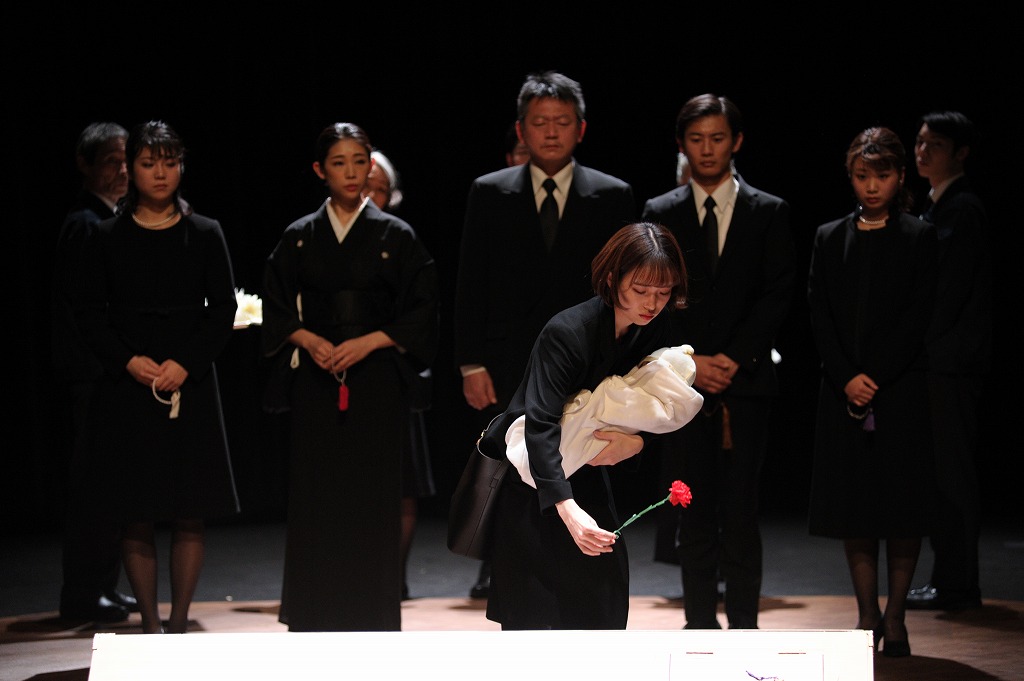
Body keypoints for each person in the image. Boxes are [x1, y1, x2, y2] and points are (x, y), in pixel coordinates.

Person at [455, 70, 636, 599]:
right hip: (510, 359)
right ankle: (510, 579)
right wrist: (471, 363)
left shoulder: (612, 194)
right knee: (513, 470)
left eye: (562, 121)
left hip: (588, 362)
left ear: (581, 128)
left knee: (585, 466)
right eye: (539, 122)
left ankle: (584, 574)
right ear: (521, 129)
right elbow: (471, 281)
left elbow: (623, 288)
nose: (551, 132)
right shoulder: (490, 191)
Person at [262, 122, 439, 631]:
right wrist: (308, 339)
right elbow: (275, 303)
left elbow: (423, 307)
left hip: (377, 376)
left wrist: (370, 341)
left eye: (359, 161)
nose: (351, 172)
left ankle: (373, 613)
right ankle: (313, 613)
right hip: (317, 378)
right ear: (320, 170)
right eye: (339, 163)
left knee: (374, 494)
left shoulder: (395, 235)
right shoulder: (300, 236)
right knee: (316, 493)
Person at [71, 120, 240, 634]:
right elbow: (88, 314)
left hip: (189, 382)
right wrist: (128, 361)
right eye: (148, 164)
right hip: (129, 386)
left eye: (169, 163)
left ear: (181, 167)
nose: (160, 173)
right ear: (132, 169)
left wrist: (186, 363)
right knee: (135, 510)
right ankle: (149, 624)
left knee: (190, 509)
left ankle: (180, 621)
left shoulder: (204, 232)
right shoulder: (106, 236)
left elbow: (223, 310)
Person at [481, 221, 688, 629]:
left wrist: (638, 444)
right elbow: (540, 425)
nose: (652, 303)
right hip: (533, 482)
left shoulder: (654, 329)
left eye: (664, 292)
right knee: (535, 621)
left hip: (589, 476)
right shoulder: (568, 333)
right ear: (612, 279)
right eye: (640, 290)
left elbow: (660, 403)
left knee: (602, 609)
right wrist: (566, 507)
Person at [641, 93, 796, 630]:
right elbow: (653, 296)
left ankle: (746, 625)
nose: (707, 149)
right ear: (681, 144)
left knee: (743, 508)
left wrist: (733, 356)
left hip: (746, 379)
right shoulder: (661, 212)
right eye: (696, 139)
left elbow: (778, 293)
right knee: (692, 507)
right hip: (684, 383)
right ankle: (700, 623)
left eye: (717, 138)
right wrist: (694, 362)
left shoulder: (768, 211)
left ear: (737, 142)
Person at [806, 126, 937, 657]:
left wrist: (876, 375)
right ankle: (866, 614)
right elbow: (820, 314)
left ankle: (897, 617)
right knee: (855, 509)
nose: (872, 186)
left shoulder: (919, 236)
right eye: (862, 176)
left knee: (903, 509)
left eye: (882, 175)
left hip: (900, 391)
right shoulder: (830, 236)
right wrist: (847, 377)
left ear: (900, 176)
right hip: (844, 392)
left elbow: (919, 316)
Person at [51, 122, 139, 623]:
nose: (122, 170)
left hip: (105, 373)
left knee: (110, 485)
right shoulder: (85, 223)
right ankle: (83, 592)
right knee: (92, 486)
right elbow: (84, 310)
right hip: (92, 373)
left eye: (127, 160)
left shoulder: (110, 219)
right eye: (111, 160)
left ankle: (102, 586)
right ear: (85, 166)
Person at [906, 111, 992, 612]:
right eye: (920, 142)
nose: (923, 151)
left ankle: (959, 583)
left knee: (953, 474)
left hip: (950, 364)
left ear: (960, 153)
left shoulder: (963, 208)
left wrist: (917, 347)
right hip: (940, 362)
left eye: (935, 144)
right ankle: (949, 579)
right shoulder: (938, 204)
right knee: (940, 475)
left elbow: (949, 292)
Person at [361, 148, 437, 601]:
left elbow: (421, 312)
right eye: (363, 186)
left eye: (379, 189)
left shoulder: (401, 240)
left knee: (402, 482)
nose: (370, 196)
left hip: (394, 372)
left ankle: (394, 576)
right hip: (339, 374)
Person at [505, 344, 703, 488]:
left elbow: (605, 395)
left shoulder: (637, 399)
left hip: (583, 435)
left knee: (555, 449)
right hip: (589, 458)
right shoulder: (666, 417)